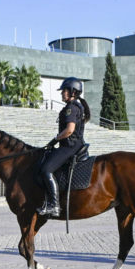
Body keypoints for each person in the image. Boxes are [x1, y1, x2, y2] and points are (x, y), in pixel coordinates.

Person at [37, 77, 90, 217]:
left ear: (72, 92)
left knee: (46, 170)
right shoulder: (77, 106)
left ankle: (54, 205)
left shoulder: (71, 108)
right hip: (75, 144)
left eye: (64, 91)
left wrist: (54, 140)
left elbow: (69, 130)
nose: (62, 93)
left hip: (70, 145)